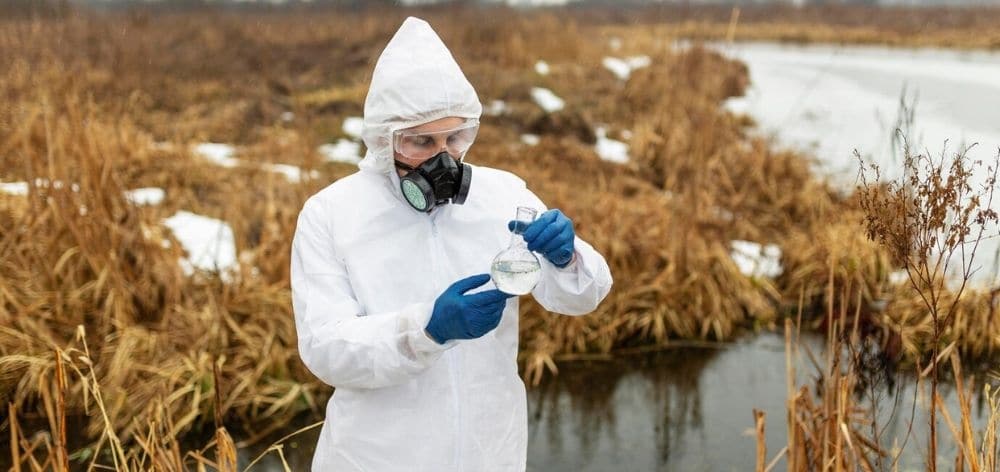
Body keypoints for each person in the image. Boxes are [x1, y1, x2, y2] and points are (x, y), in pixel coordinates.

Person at [290, 16, 612, 471]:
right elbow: (326, 350)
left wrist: (568, 257)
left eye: (455, 137)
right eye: (420, 141)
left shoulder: (502, 196)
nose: (443, 158)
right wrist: (426, 330)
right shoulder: (332, 215)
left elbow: (580, 298)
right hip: (376, 456)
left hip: (489, 452)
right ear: (385, 139)